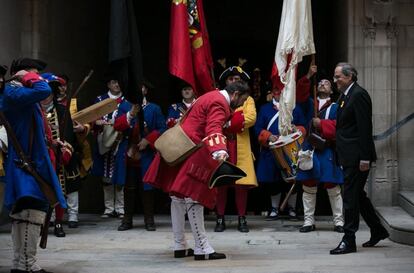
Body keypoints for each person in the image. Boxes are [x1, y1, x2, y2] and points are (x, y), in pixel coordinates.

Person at [144, 81, 250, 260]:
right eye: (243, 100)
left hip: (179, 147)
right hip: (193, 150)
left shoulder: (211, 95)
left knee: (177, 198)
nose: (241, 104)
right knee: (195, 197)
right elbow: (213, 127)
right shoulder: (219, 102)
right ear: (235, 94)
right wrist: (220, 150)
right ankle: (202, 248)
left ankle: (180, 245)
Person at [1, 58, 66, 273]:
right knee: (31, 212)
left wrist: (50, 142)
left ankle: (21, 264)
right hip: (25, 165)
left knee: (25, 214)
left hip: (31, 162)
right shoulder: (13, 91)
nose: (37, 76)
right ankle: (27, 264)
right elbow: (42, 88)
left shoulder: (21, 94)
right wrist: (28, 76)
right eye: (33, 71)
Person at [330, 62, 389, 255]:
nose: (335, 80)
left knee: (350, 197)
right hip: (347, 155)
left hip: (357, 157)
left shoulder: (359, 95)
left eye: (338, 76)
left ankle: (349, 240)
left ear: (350, 76)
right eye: (335, 76)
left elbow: (365, 129)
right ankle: (378, 230)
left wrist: (365, 158)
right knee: (358, 196)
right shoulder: (344, 96)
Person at [115, 81, 166, 231]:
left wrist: (148, 140)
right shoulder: (124, 106)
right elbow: (117, 126)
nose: (139, 90)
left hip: (147, 154)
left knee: (147, 188)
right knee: (128, 188)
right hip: (128, 154)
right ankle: (127, 220)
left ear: (146, 90)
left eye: (142, 87)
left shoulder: (154, 108)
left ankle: (149, 220)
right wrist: (130, 114)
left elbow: (162, 128)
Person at [296, 78, 344, 233]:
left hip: (328, 150)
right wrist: (309, 76)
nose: (323, 84)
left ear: (331, 90)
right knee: (308, 186)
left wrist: (321, 124)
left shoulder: (337, 107)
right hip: (310, 150)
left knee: (333, 186)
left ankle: (339, 222)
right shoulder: (309, 104)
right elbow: (301, 94)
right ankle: (308, 221)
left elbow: (339, 127)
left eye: (327, 83)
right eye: (320, 82)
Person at [40, 72, 86, 232]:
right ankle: (47, 220)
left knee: (66, 189)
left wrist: (64, 153)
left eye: (49, 94)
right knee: (45, 190)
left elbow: (68, 135)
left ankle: (62, 220)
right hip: (42, 158)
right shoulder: (34, 111)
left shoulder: (62, 110)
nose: (46, 97)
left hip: (61, 157)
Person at [214, 66, 257, 233]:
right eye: (230, 79)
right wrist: (235, 121)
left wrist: (229, 124)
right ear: (226, 82)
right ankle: (220, 218)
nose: (233, 82)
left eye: (237, 79)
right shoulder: (219, 98)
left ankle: (242, 218)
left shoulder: (248, 99)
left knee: (241, 184)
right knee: (221, 183)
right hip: (223, 145)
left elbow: (251, 118)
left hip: (241, 147)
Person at [92, 74, 125, 218]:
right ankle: (108, 208)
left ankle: (120, 208)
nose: (116, 85)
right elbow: (92, 116)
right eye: (113, 81)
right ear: (108, 84)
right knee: (106, 176)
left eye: (118, 82)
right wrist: (96, 122)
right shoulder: (100, 100)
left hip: (120, 141)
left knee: (120, 176)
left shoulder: (126, 100)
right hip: (104, 140)